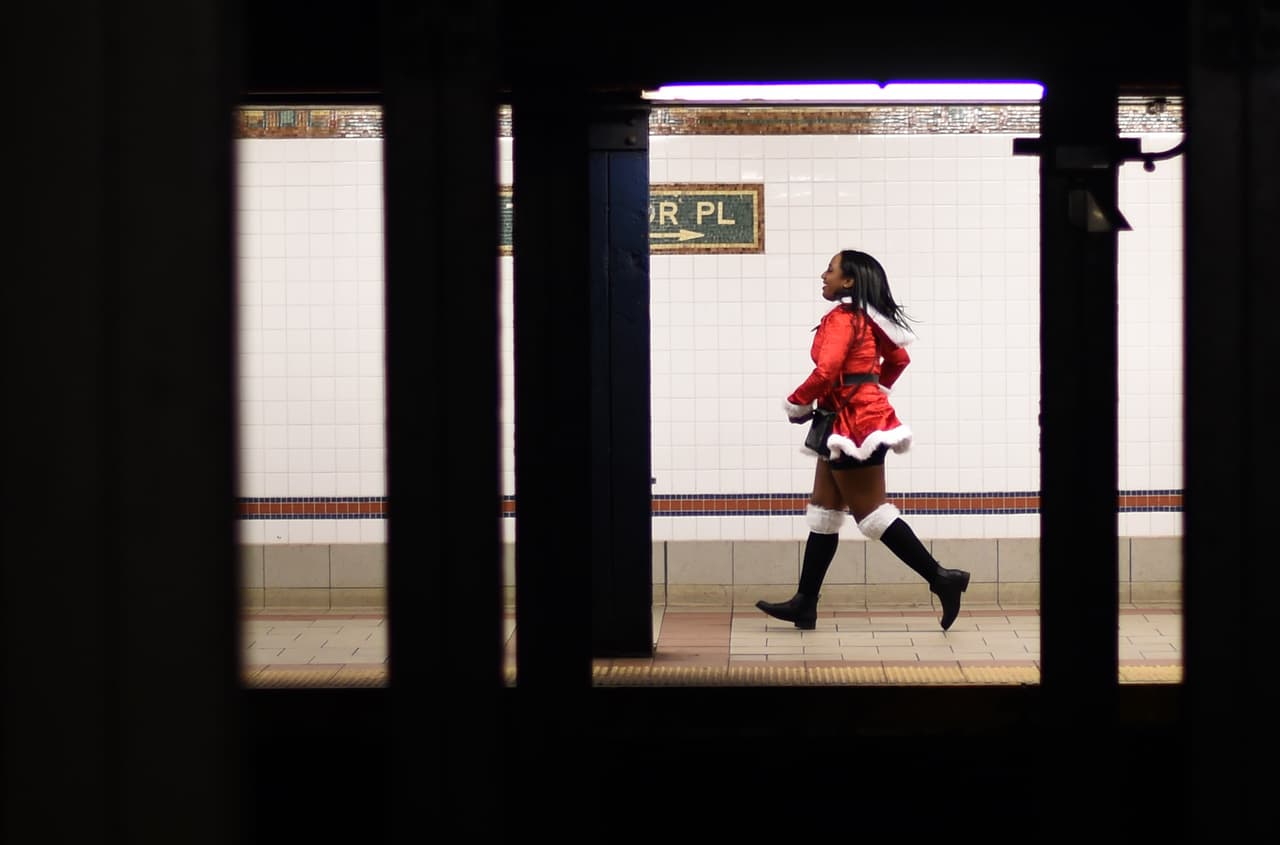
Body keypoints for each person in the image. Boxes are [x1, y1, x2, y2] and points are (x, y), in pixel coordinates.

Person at [756, 249, 970, 631]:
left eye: (830, 270)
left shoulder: (843, 319)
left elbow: (826, 372)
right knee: (824, 512)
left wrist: (796, 403)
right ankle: (805, 603)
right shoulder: (868, 320)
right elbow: (898, 361)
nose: (823, 276)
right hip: (846, 419)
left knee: (871, 514)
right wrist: (873, 391)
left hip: (854, 423)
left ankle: (941, 578)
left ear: (849, 281)